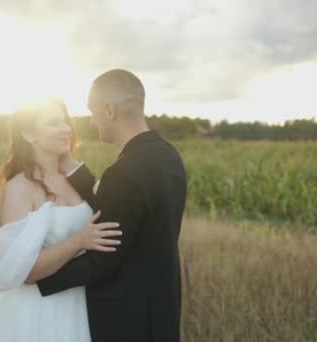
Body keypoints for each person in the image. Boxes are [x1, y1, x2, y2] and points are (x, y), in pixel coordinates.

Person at [36, 69, 187, 342]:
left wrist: (38, 277)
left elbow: (103, 263)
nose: (92, 121)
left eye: (93, 112)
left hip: (128, 320)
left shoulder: (123, 173)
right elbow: (121, 212)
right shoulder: (168, 155)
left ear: (110, 110)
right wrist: (72, 166)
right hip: (162, 308)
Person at [0, 97, 121, 342]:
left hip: (77, 302)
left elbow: (107, 206)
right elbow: (25, 272)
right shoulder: (19, 188)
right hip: (37, 308)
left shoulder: (74, 179)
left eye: (65, 121)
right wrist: (78, 241)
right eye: (53, 123)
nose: (65, 129)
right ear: (28, 133)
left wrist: (69, 163)